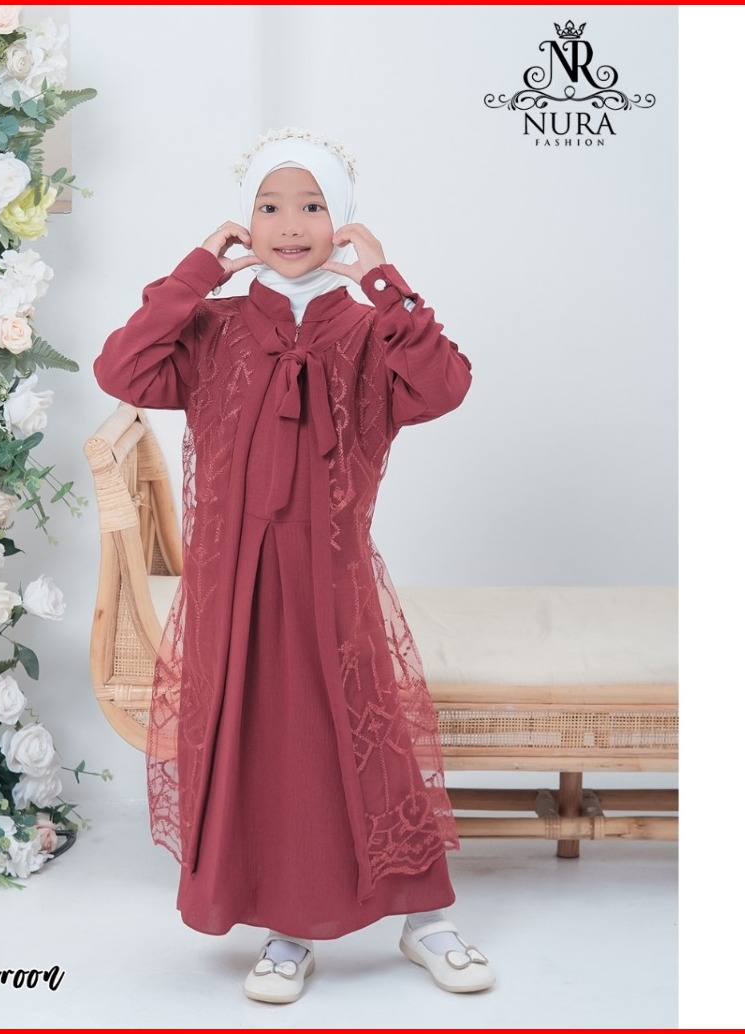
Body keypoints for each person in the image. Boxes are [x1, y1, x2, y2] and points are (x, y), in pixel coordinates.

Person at [93, 129, 494, 1004]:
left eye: (312, 206)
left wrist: (386, 283)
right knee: (261, 739)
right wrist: (197, 272)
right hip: (232, 579)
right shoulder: (214, 327)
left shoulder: (369, 329)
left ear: (341, 221)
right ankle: (286, 928)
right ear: (245, 222)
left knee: (364, 729)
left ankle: (426, 918)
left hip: (332, 569)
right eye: (269, 206)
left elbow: (445, 387)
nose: (288, 224)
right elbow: (121, 367)